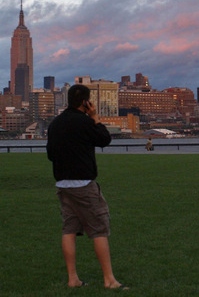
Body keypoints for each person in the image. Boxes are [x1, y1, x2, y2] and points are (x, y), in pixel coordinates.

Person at [47, 84, 128, 290]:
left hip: (62, 184)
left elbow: (50, 154)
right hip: (83, 183)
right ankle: (109, 280)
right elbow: (104, 139)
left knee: (69, 229)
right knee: (99, 229)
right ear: (86, 102)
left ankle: (73, 278)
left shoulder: (55, 124)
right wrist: (95, 117)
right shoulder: (84, 121)